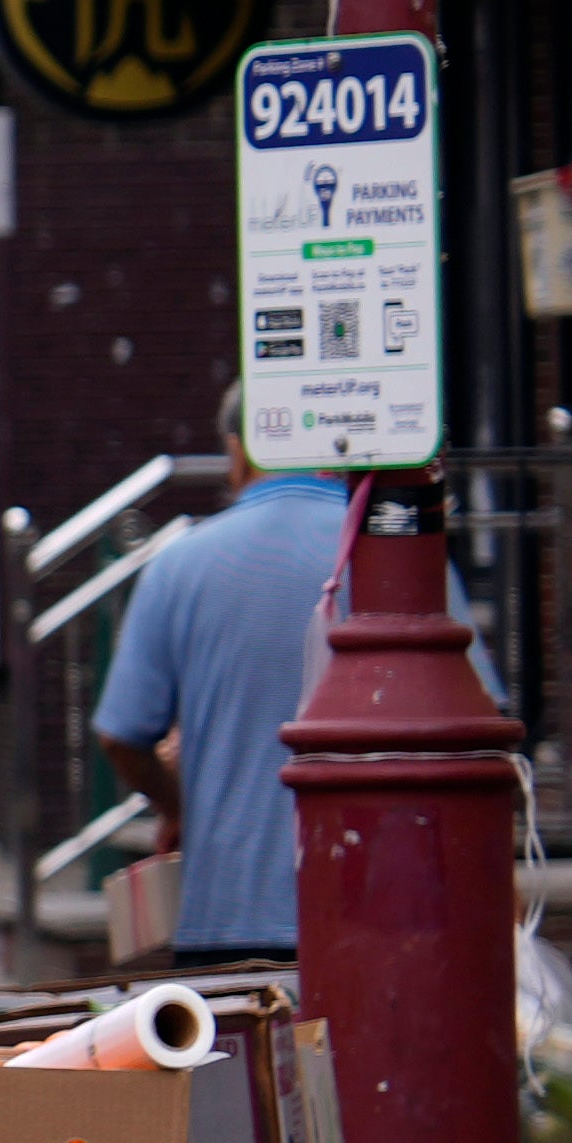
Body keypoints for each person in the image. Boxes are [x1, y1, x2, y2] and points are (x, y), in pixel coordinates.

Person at [91, 385, 353, 959]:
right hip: (368, 913)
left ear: (238, 452)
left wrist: (179, 806)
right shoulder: (388, 556)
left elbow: (121, 734)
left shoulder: (178, 564)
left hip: (226, 916)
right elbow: (482, 714)